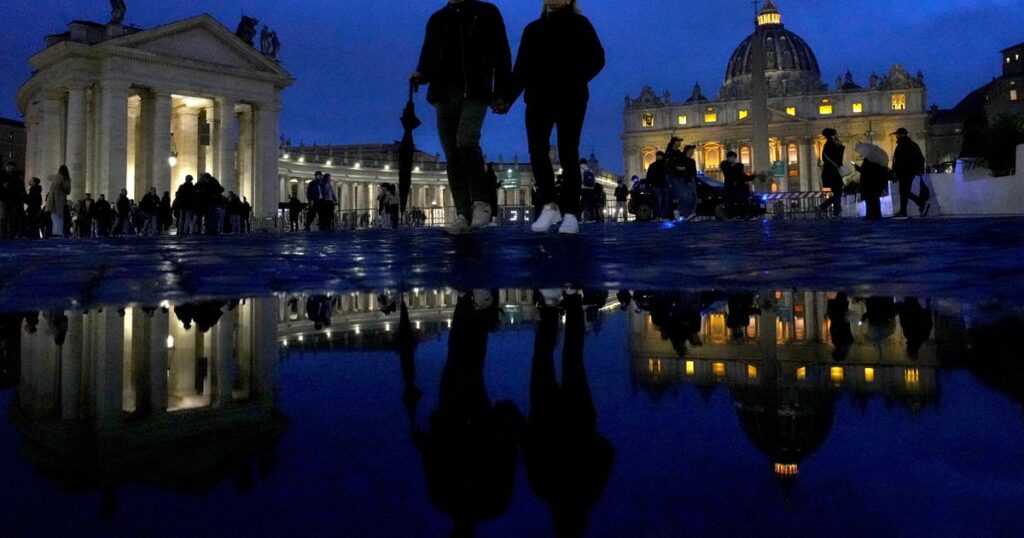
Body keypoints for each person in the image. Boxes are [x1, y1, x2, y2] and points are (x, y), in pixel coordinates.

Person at [411, 0, 513, 234]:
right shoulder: (437, 19)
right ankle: (462, 213)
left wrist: (502, 93)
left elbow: (501, 55)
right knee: (451, 153)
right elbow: (427, 55)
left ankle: (480, 202)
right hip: (443, 92)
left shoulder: (487, 12)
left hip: (475, 90)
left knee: (466, 140)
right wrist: (421, 74)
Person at [504, 1, 604, 234]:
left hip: (571, 98)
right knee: (536, 151)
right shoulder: (532, 29)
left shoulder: (581, 24)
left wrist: (576, 79)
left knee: (569, 153)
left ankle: (570, 213)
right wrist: (506, 98)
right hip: (538, 98)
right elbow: (521, 70)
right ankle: (549, 205)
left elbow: (598, 58)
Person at [523, 288, 613, 537]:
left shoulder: (589, 491)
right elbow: (528, 446)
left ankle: (571, 300)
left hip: (577, 417)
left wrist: (586, 438)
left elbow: (606, 451)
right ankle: (554, 306)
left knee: (572, 357)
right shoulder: (543, 489)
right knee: (545, 358)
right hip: (548, 416)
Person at [892, 127, 929, 218]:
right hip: (911, 171)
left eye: (897, 134)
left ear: (900, 135)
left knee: (904, 192)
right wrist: (919, 169)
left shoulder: (900, 146)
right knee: (904, 192)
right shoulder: (913, 145)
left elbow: (897, 161)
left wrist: (894, 172)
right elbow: (921, 158)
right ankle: (904, 211)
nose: (896, 136)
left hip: (904, 172)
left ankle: (920, 204)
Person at [855, 143, 889, 220]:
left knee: (869, 199)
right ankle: (877, 214)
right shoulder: (880, 162)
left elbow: (865, 171)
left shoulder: (868, 160)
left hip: (869, 183)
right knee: (875, 199)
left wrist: (857, 168)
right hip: (877, 183)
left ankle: (869, 214)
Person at [817, 128, 846, 218]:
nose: (837, 134)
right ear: (832, 135)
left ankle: (823, 207)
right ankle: (836, 213)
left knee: (838, 193)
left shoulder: (828, 144)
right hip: (833, 173)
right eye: (836, 133)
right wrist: (841, 147)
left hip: (830, 172)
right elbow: (838, 159)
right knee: (838, 193)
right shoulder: (831, 144)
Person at [45, 165, 71, 238]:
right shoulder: (65, 178)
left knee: (54, 217)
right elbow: (68, 190)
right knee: (59, 217)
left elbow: (48, 177)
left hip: (51, 199)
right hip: (59, 198)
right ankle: (58, 233)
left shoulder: (56, 178)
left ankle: (55, 233)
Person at [644, 151, 668, 220]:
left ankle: (662, 216)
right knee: (658, 201)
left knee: (664, 201)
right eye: (658, 156)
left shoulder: (664, 165)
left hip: (663, 185)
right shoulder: (653, 165)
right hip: (656, 186)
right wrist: (649, 184)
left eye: (660, 156)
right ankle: (657, 216)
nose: (658, 157)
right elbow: (648, 176)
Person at [579, 158, 596, 222]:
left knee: (582, 203)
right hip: (591, 189)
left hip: (583, 188)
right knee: (590, 204)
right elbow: (594, 181)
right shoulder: (590, 170)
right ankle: (591, 218)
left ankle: (578, 218)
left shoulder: (579, 169)